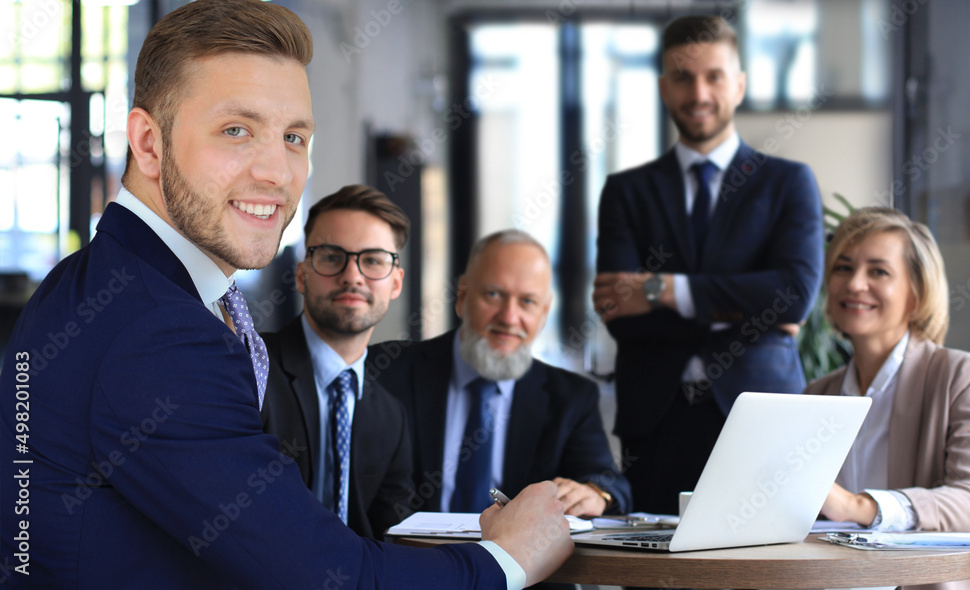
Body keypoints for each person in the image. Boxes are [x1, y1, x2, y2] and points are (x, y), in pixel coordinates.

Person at [0, 1, 573, 588]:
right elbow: (330, 577)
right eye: (236, 130)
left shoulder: (85, 281)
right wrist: (509, 558)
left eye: (295, 137)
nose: (278, 172)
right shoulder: (159, 331)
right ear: (148, 143)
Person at [592, 14, 824, 515]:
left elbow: (794, 294)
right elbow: (618, 312)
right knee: (652, 569)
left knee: (762, 571)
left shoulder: (787, 183)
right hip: (656, 420)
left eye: (713, 76)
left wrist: (662, 290)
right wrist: (751, 310)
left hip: (761, 414)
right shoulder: (626, 192)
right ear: (663, 88)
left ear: (738, 85)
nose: (698, 92)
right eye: (682, 76)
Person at [374, 230, 632, 519]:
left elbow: (608, 480)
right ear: (462, 297)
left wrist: (596, 494)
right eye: (493, 294)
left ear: (544, 314)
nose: (509, 318)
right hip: (407, 558)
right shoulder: (387, 373)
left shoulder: (571, 397)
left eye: (527, 302)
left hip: (517, 563)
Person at [807, 207, 970, 590]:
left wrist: (858, 506)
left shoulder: (961, 375)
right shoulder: (816, 395)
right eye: (843, 268)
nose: (855, 284)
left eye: (878, 271)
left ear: (917, 292)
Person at [261, 185, 415, 540]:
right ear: (302, 275)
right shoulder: (252, 369)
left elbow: (390, 540)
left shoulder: (392, 417)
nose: (352, 275)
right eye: (332, 257)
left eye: (374, 260)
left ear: (395, 283)